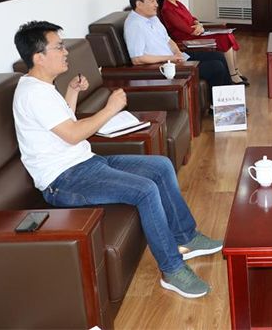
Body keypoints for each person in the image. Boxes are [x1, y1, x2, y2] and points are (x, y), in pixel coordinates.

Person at [12, 21, 221, 299]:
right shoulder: (33, 94)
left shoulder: (42, 86)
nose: (65, 52)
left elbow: (62, 127)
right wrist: (110, 109)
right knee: (145, 190)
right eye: (59, 47)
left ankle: (186, 236)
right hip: (63, 180)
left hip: (84, 162)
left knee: (160, 166)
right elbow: (73, 134)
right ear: (39, 57)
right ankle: (172, 269)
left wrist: (72, 92)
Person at [124, 0, 235, 89]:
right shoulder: (134, 25)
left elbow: (168, 40)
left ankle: (231, 96)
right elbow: (137, 59)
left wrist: (178, 53)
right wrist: (170, 58)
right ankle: (218, 101)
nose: (156, 5)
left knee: (218, 56)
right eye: (152, 1)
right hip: (165, 67)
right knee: (216, 67)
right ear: (139, 4)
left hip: (175, 59)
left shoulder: (152, 17)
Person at [158, 0, 248, 85]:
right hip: (186, 37)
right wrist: (197, 28)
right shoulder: (167, 9)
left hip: (195, 32)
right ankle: (232, 75)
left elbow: (192, 18)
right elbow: (185, 28)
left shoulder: (178, 4)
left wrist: (198, 24)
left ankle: (235, 71)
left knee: (228, 35)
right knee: (224, 38)